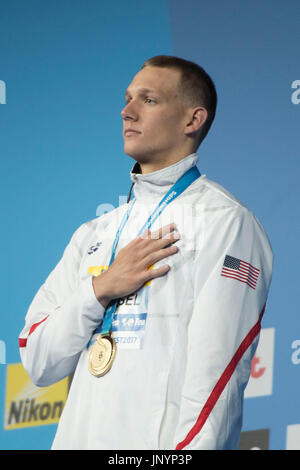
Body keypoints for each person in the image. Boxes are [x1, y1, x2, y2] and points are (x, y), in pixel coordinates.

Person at [19, 55, 273, 450]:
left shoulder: (226, 223)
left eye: (149, 100)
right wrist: (100, 288)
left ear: (193, 120)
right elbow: (37, 360)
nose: (127, 111)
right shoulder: (94, 233)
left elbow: (215, 378)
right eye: (127, 98)